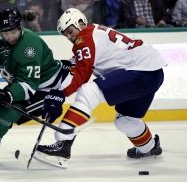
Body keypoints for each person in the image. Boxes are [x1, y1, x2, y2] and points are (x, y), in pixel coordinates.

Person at [36, 8, 167, 167]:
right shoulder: (93, 34)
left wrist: (59, 94)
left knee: (88, 92)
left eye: (70, 31)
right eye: (66, 35)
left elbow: (81, 75)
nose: (70, 37)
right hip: (152, 73)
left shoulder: (84, 37)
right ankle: (149, 147)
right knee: (125, 120)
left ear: (81, 23)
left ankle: (63, 144)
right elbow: (75, 66)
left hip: (140, 72)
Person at [0, 6, 73, 170]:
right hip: (25, 83)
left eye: (13, 31)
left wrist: (6, 95)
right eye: (5, 32)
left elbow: (29, 86)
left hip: (47, 88)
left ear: (20, 26)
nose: (10, 36)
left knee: (6, 112)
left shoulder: (30, 47)